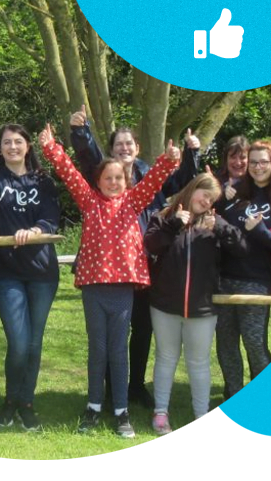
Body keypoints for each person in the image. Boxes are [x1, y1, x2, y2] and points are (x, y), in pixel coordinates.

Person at [39, 124, 180, 438]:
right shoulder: (89, 202)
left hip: (122, 289)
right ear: (99, 181)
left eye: (119, 178)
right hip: (93, 287)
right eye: (108, 178)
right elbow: (68, 173)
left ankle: (121, 411)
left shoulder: (133, 202)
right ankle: (92, 406)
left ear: (127, 181)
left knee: (118, 350)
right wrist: (51, 147)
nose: (114, 182)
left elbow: (156, 179)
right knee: (97, 349)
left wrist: (169, 160)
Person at [69, 106, 201, 409]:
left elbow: (178, 178)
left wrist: (191, 153)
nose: (124, 148)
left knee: (142, 328)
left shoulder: (147, 178)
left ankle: (135, 386)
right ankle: (107, 391)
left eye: (129, 144)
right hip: (107, 269)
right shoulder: (104, 180)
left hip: (146, 264)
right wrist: (81, 131)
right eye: (119, 145)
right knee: (106, 334)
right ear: (111, 151)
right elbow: (88, 156)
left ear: (137, 148)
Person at [0, 125, 60, 431]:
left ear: (27, 147)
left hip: (42, 273)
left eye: (18, 142)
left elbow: (50, 219)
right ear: (0, 148)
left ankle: (26, 403)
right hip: (7, 273)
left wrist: (34, 231)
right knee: (19, 343)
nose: (12, 147)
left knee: (34, 344)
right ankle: (11, 399)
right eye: (6, 143)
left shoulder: (43, 181)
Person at [144, 173, 247, 434]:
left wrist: (221, 228)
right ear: (192, 189)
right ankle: (160, 413)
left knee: (199, 362)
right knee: (166, 358)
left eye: (212, 199)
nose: (206, 201)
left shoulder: (214, 223)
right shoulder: (164, 215)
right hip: (165, 304)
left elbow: (241, 249)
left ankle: (201, 414)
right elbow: (151, 244)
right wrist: (173, 224)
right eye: (204, 194)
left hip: (202, 308)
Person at [216, 140, 271, 400]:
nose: (258, 166)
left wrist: (260, 230)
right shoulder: (234, 191)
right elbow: (213, 220)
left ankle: (266, 397)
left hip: (256, 280)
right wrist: (220, 198)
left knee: (253, 342)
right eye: (253, 162)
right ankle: (233, 395)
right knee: (226, 343)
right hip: (223, 278)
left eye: (264, 161)